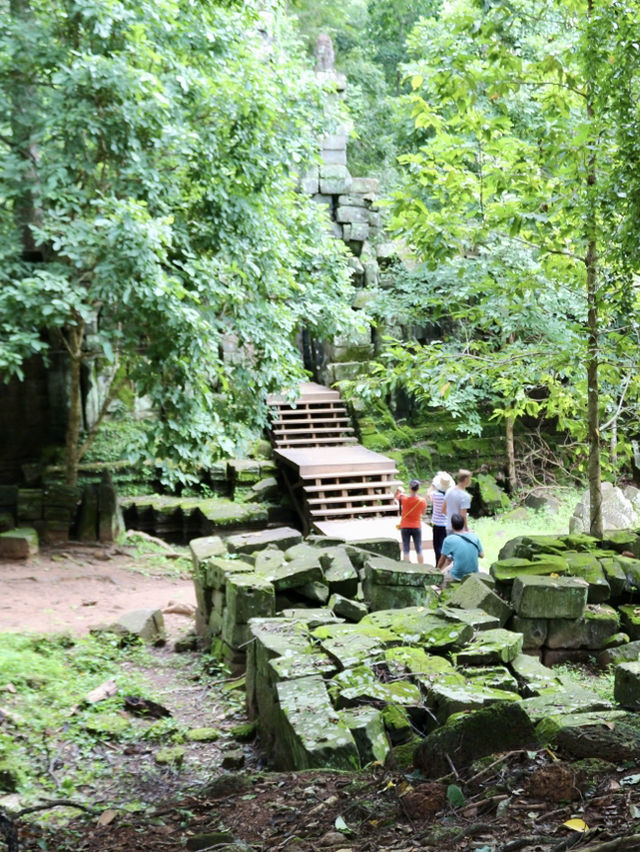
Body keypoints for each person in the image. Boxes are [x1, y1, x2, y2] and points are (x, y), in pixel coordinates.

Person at [437, 512, 484, 584]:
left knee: (439, 582)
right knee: (451, 565)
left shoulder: (449, 539)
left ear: (452, 526)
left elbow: (442, 560)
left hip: (457, 575)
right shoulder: (474, 536)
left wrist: (436, 571)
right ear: (463, 525)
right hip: (474, 574)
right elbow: (482, 555)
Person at [394, 479, 427, 564]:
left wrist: (398, 490)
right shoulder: (422, 500)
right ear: (418, 488)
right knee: (419, 548)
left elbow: (396, 496)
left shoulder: (403, 498)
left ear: (410, 488)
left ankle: (406, 567)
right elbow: (423, 513)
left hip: (405, 526)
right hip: (416, 526)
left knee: (406, 548)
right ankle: (421, 567)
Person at [427, 471, 454, 564]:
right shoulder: (450, 496)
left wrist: (433, 484)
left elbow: (428, 494)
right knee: (448, 545)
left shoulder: (435, 495)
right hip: (448, 524)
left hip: (438, 524)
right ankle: (448, 563)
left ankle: (439, 564)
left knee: (438, 546)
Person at [443, 468, 473, 534]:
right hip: (460, 529)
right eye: (470, 479)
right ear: (466, 480)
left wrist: (451, 515)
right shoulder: (465, 496)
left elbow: (443, 510)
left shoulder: (448, 491)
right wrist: (467, 530)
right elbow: (463, 515)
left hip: (448, 526)